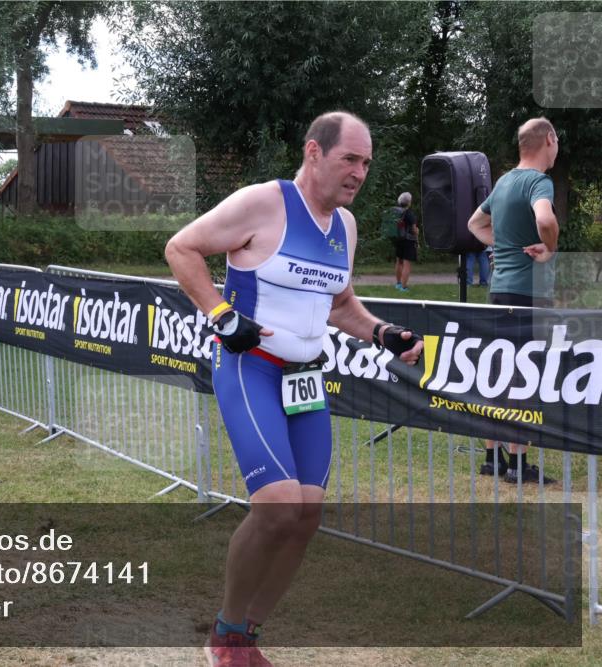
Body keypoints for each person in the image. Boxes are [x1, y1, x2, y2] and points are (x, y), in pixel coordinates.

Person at [165, 111, 424, 667]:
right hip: (250, 368)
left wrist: (382, 332)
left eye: (366, 163)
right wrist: (221, 314)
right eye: (349, 159)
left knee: (306, 518)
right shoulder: (264, 203)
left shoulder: (345, 226)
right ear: (313, 152)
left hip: (305, 378)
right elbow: (181, 249)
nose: (359, 173)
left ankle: (246, 639)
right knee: (278, 508)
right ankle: (224, 633)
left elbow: (339, 304)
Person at [468, 116, 559, 484]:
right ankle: (519, 464)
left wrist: (503, 244)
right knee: (524, 376)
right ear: (549, 140)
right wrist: (550, 247)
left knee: (499, 373)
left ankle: (493, 457)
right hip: (529, 292)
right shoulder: (539, 182)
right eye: (557, 142)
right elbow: (545, 220)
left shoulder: (504, 182)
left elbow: (475, 224)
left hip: (500, 289)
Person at [392, 192, 419, 291]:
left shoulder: (395, 212)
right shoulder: (409, 214)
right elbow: (414, 230)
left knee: (399, 261)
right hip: (408, 241)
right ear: (409, 202)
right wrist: (417, 232)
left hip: (398, 239)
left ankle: (398, 283)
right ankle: (403, 287)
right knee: (407, 264)